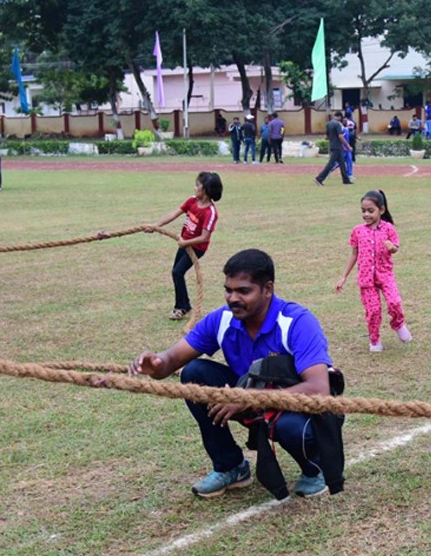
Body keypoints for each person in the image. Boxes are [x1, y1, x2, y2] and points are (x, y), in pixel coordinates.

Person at [130, 248, 336, 499]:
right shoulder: (223, 319)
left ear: (267, 289)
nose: (233, 298)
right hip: (248, 398)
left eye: (243, 291)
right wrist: (156, 364)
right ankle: (230, 466)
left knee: (289, 426)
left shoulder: (296, 322)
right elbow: (171, 359)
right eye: (228, 290)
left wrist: (246, 398)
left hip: (299, 407)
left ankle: (316, 467)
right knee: (195, 374)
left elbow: (318, 389)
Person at [335, 190, 411, 352]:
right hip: (366, 278)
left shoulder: (388, 228)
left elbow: (395, 247)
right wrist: (343, 277)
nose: (366, 214)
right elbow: (354, 254)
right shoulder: (358, 231)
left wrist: (392, 248)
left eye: (370, 211)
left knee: (394, 302)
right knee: (373, 310)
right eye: (363, 211)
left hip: (385, 275)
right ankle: (374, 339)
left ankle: (398, 324)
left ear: (381, 210)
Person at [152, 171, 222, 320]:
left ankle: (181, 307)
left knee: (177, 272)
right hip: (184, 243)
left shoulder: (210, 212)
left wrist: (185, 242)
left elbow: (204, 237)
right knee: (176, 272)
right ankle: (184, 304)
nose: (194, 188)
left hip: (196, 248)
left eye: (197, 185)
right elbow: (174, 214)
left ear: (206, 190)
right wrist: (155, 225)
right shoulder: (191, 201)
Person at [314, 112, 353, 186]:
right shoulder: (337, 124)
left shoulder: (328, 124)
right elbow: (340, 136)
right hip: (337, 147)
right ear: (339, 117)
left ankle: (346, 180)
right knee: (331, 164)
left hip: (332, 146)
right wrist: (348, 146)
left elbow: (326, 137)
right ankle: (319, 178)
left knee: (342, 164)